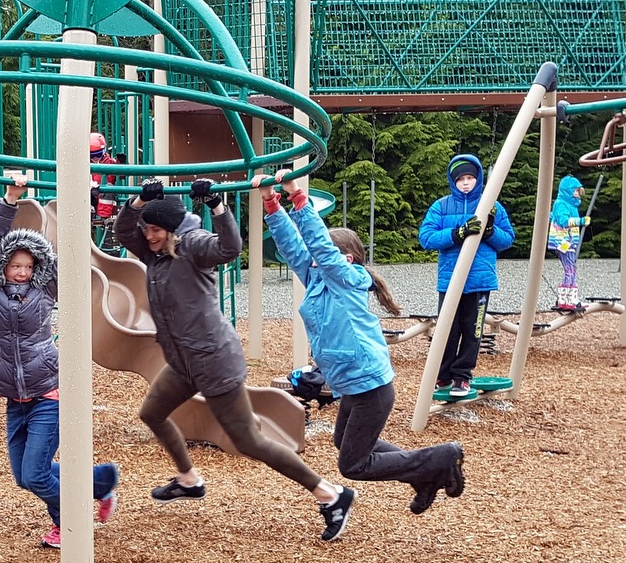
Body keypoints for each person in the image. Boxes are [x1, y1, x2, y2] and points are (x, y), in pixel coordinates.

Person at [114, 177, 356, 542]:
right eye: (146, 229)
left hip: (214, 361)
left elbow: (229, 247)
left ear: (172, 230)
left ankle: (331, 494)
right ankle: (189, 480)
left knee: (248, 441)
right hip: (183, 362)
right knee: (152, 412)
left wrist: (217, 206)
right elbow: (123, 231)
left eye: (156, 230)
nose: (148, 236)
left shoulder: (192, 244)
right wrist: (138, 202)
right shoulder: (155, 252)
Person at [253, 169, 466, 516]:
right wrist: (271, 203)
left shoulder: (347, 278)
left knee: (353, 464)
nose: (313, 258)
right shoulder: (317, 278)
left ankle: (440, 457)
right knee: (344, 442)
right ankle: (424, 475)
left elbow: (319, 246)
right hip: (354, 384)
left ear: (346, 259)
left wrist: (297, 196)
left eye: (323, 255)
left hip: (369, 386)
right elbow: (293, 248)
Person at [0, 174, 119, 549]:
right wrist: (9, 199)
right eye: (15, 265)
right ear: (3, 266)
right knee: (23, 477)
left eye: (28, 265)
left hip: (47, 392)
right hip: (14, 397)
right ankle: (99, 481)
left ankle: (69, 523)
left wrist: (85, 202)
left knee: (36, 475)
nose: (22, 272)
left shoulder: (45, 289)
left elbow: (72, 253)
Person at [418, 154, 515, 398]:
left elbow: (507, 240)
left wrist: (490, 231)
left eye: (470, 178)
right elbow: (426, 238)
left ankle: (462, 376)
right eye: (460, 179)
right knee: (447, 330)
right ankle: (443, 374)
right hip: (450, 280)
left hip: (479, 281)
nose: (465, 183)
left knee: (473, 331)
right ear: (453, 181)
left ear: (478, 179)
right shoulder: (441, 206)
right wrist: (457, 233)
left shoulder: (490, 205)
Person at [548, 175, 590, 311]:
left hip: (569, 242)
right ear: (568, 191)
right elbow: (563, 221)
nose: (578, 193)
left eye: (578, 191)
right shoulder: (561, 203)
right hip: (563, 242)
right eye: (575, 191)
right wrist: (581, 221)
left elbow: (553, 216)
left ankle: (571, 298)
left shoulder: (570, 205)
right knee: (570, 269)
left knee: (572, 269)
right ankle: (566, 299)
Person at [89, 132, 118, 220]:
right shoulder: (84, 164)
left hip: (103, 193)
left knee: (109, 188)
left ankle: (104, 217)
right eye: (92, 155)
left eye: (98, 154)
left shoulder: (109, 162)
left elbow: (119, 176)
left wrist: (121, 163)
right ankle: (90, 212)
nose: (95, 158)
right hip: (91, 193)